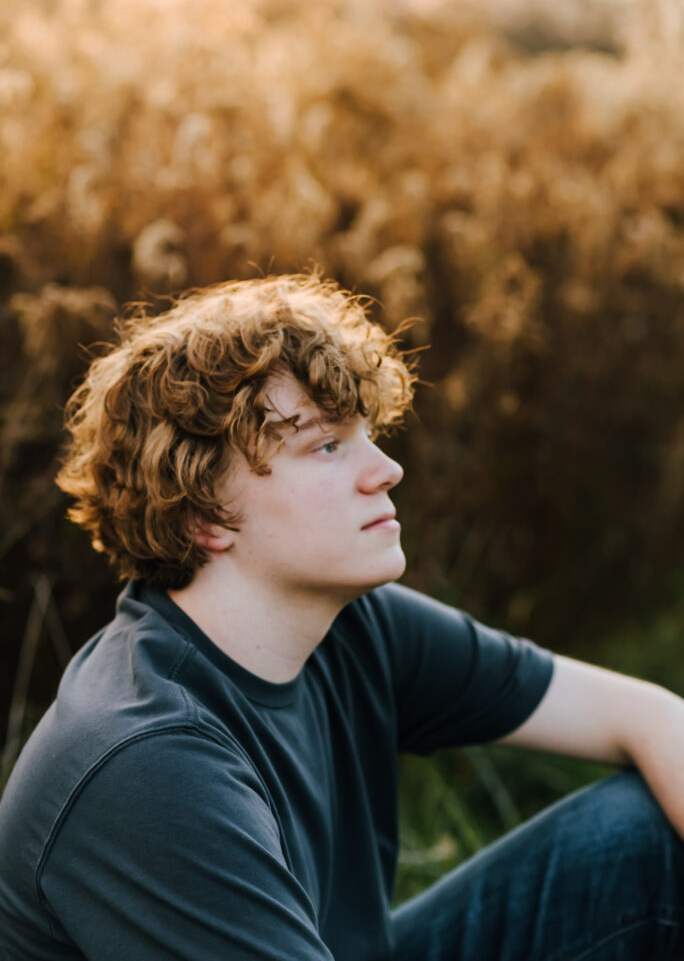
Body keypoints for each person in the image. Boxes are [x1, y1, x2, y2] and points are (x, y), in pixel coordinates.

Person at [0, 270, 682, 961]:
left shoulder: (354, 627)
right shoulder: (148, 765)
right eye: (327, 446)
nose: (387, 470)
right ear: (206, 514)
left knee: (641, 837)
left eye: (366, 436)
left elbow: (652, 717)